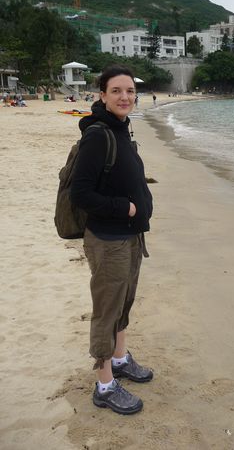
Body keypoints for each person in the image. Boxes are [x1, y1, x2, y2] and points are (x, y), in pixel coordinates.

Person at [70, 65, 153, 415]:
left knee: (123, 303)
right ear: (102, 95)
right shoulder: (98, 135)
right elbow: (80, 193)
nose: (125, 97)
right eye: (116, 91)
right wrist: (126, 208)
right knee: (107, 311)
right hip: (108, 240)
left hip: (129, 236)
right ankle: (104, 385)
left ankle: (119, 359)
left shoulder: (121, 127)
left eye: (130, 91)